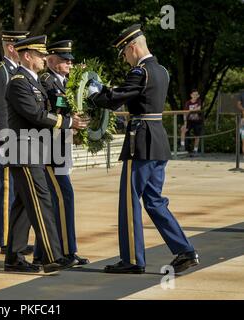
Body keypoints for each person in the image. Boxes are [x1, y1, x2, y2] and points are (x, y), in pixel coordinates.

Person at [87, 24, 199, 274]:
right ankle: (185, 251)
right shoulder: (162, 71)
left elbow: (116, 99)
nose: (125, 59)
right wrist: (106, 89)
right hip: (158, 141)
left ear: (132, 47)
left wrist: (94, 95)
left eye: (124, 53)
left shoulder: (141, 71)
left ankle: (132, 260)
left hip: (141, 143)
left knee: (129, 201)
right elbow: (130, 95)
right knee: (155, 201)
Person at [3, 35, 88, 273]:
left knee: (23, 206)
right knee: (42, 202)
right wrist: (69, 122)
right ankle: (52, 257)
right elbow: (35, 115)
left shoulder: (34, 82)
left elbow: (46, 110)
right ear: (27, 56)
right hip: (25, 151)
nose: (43, 59)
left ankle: (14, 258)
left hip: (33, 150)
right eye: (40, 55)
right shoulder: (19, 82)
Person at [35, 40, 89, 266]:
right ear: (52, 60)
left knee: (56, 200)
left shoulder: (66, 82)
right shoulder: (46, 81)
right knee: (63, 197)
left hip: (60, 147)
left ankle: (46, 253)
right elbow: (52, 110)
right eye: (65, 60)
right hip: (50, 149)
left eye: (71, 60)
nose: (70, 63)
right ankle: (66, 251)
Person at [0, 30, 33, 255]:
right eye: (22, 47)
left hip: (19, 138)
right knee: (7, 189)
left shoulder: (17, 72)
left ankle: (15, 240)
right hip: (6, 138)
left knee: (19, 190)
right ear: (12, 48)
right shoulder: (0, 71)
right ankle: (6, 240)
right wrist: (6, 138)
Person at [180, 89, 203, 155]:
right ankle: (182, 146)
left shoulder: (199, 101)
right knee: (183, 129)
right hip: (189, 121)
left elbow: (198, 108)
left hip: (197, 121)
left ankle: (195, 150)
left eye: (196, 95)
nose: (195, 96)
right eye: (194, 94)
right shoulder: (188, 103)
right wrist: (185, 122)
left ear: (198, 95)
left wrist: (190, 111)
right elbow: (185, 113)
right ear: (191, 95)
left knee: (197, 135)